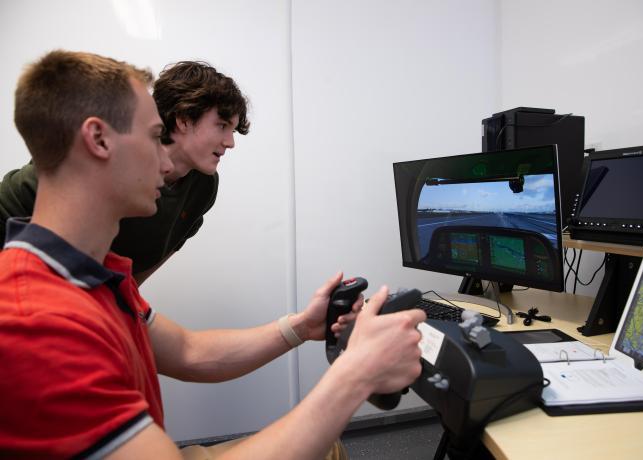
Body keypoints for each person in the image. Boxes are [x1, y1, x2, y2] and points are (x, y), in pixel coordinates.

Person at [0, 50, 426, 459]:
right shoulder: (38, 320)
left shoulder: (105, 277)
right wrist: (357, 373)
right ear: (97, 140)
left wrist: (301, 326)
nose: (166, 164)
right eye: (153, 137)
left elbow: (188, 351)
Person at [0, 60, 249, 285]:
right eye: (222, 125)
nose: (230, 142)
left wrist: (124, 309)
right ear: (184, 119)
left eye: (233, 130)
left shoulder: (203, 187)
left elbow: (131, 281)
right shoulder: (111, 159)